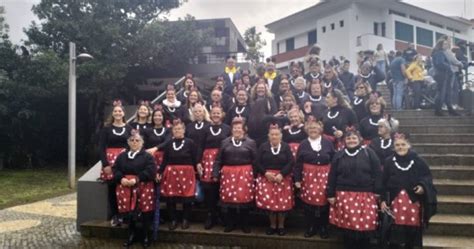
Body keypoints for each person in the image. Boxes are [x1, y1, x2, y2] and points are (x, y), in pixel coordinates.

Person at [327, 128, 382, 249]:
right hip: (344, 194)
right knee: (348, 225)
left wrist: (378, 191)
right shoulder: (339, 155)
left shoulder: (369, 153)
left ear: (360, 139)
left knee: (365, 225)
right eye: (348, 138)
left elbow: (378, 173)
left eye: (354, 138)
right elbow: (332, 175)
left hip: (365, 194)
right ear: (344, 140)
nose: (351, 140)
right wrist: (330, 194)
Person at [381, 133, 437, 249]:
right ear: (393, 147)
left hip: (413, 202)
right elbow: (383, 182)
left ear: (409, 145)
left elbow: (427, 177)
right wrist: (382, 200)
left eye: (403, 144)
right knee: (393, 237)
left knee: (411, 238)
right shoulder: (388, 161)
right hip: (394, 203)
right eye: (397, 145)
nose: (400, 147)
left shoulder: (418, 161)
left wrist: (422, 187)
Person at [212, 117, 257, 233]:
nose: (237, 130)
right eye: (235, 128)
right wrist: (215, 173)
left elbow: (255, 160)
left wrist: (256, 176)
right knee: (230, 198)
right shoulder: (224, 142)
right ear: (231, 130)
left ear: (244, 130)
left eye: (239, 128)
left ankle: (244, 224)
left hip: (245, 173)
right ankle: (231, 223)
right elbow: (218, 160)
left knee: (244, 199)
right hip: (228, 174)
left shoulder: (251, 142)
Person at [113, 131, 156, 248]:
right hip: (126, 187)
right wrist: (121, 178)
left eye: (137, 140)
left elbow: (151, 171)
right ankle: (131, 235)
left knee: (145, 212)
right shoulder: (122, 156)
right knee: (130, 213)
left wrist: (137, 179)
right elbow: (115, 169)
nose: (134, 142)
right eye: (132, 140)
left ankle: (146, 236)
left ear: (142, 143)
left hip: (143, 187)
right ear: (128, 142)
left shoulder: (148, 156)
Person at [294, 117, 335, 238]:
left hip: (325, 177)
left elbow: (334, 160)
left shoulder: (328, 142)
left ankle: (323, 227)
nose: (313, 130)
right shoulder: (303, 144)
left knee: (324, 203)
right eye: (310, 128)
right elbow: (298, 164)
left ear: (320, 129)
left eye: (315, 127)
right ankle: (311, 227)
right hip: (308, 177)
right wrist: (297, 180)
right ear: (307, 130)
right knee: (309, 203)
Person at [98, 100, 133, 226]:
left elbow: (133, 145)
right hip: (110, 162)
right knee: (113, 189)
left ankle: (126, 214)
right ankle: (115, 214)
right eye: (115, 111)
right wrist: (105, 164)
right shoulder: (106, 129)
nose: (118, 113)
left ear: (123, 113)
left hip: (125, 160)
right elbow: (101, 148)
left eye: (120, 111)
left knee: (125, 187)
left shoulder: (129, 128)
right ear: (112, 114)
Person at [255, 124, 294, 236]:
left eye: (276, 134)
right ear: (269, 136)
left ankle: (281, 226)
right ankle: (272, 226)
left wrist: (282, 174)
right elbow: (257, 162)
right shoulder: (263, 147)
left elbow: (291, 162)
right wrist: (265, 173)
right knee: (271, 204)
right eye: (272, 134)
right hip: (268, 177)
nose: (274, 136)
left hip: (282, 178)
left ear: (281, 136)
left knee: (281, 204)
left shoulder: (286, 147)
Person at [158, 119, 197, 230]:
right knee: (171, 198)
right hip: (171, 173)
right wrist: (160, 172)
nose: (177, 131)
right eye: (175, 129)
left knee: (187, 198)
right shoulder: (169, 144)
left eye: (179, 129)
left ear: (184, 130)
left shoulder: (190, 142)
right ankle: (173, 219)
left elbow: (195, 158)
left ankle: (185, 219)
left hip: (187, 173)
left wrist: (197, 170)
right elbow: (164, 160)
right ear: (172, 131)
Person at [197, 105, 231, 230]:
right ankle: (211, 215)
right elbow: (200, 146)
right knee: (209, 189)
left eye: (218, 113)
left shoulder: (227, 129)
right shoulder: (205, 129)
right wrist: (198, 162)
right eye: (214, 113)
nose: (216, 115)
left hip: (223, 159)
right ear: (210, 115)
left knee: (221, 187)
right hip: (207, 161)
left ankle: (222, 214)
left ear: (222, 114)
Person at [431, 39, 459, 116]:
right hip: (442, 75)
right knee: (441, 93)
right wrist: (449, 67)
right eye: (445, 44)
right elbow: (440, 63)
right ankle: (438, 110)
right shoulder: (439, 53)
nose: (447, 45)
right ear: (441, 45)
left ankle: (450, 109)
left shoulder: (440, 53)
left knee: (446, 93)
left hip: (443, 75)